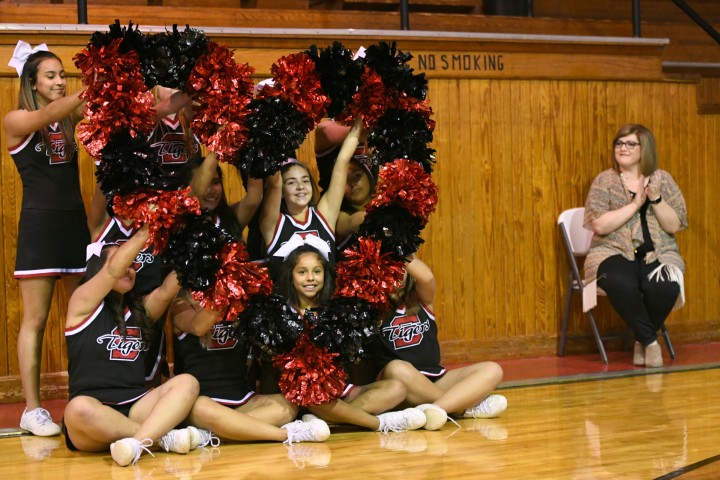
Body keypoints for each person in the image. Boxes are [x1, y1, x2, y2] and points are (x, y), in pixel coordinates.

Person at [3, 42, 90, 436]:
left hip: (74, 226)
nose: (59, 81)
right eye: (51, 76)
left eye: (62, 75)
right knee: (36, 320)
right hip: (40, 228)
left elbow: (108, 115)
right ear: (33, 83)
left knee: (81, 317)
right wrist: (88, 89)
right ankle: (33, 410)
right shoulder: (16, 119)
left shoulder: (69, 120)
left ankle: (86, 396)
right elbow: (52, 112)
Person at [62, 225, 204, 467]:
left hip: (136, 405)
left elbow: (169, 290)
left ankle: (136, 442)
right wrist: (148, 228)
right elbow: (112, 270)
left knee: (187, 382)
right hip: (93, 416)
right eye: (123, 263)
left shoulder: (141, 310)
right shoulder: (82, 304)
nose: (129, 269)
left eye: (132, 265)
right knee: (77, 409)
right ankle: (160, 438)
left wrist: (195, 249)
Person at [270, 243, 427, 434]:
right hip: (305, 396)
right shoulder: (279, 314)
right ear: (290, 275)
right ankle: (378, 423)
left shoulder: (336, 309)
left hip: (340, 393)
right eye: (302, 272)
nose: (310, 278)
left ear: (325, 275)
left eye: (317, 271)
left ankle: (328, 421)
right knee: (312, 395)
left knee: (397, 388)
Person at [583, 124, 687, 368]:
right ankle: (650, 342)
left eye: (631, 143)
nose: (623, 148)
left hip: (659, 253)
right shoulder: (604, 181)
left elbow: (674, 225)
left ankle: (642, 339)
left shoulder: (664, 179)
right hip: (611, 252)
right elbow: (598, 225)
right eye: (619, 143)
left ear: (645, 149)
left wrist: (655, 198)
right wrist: (634, 205)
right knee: (620, 282)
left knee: (666, 284)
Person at [169, 291, 332, 445]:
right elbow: (198, 327)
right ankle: (288, 434)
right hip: (201, 400)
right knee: (202, 408)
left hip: (241, 398)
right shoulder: (181, 304)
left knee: (287, 406)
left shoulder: (239, 302)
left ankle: (207, 435)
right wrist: (225, 292)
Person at [372, 255, 508, 430]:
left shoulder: (422, 300)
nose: (394, 273)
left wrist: (399, 249)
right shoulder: (373, 308)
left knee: (492, 369)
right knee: (397, 368)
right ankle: (461, 408)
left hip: (435, 378)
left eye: (399, 268)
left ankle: (436, 409)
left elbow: (427, 277)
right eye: (387, 269)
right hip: (397, 384)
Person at [260, 117, 363, 278]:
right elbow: (274, 184)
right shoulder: (273, 224)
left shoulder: (324, 215)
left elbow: (342, 160)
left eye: (305, 180)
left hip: (327, 302)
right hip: (288, 303)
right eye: (292, 182)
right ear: (281, 191)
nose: (300, 186)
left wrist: (364, 112)